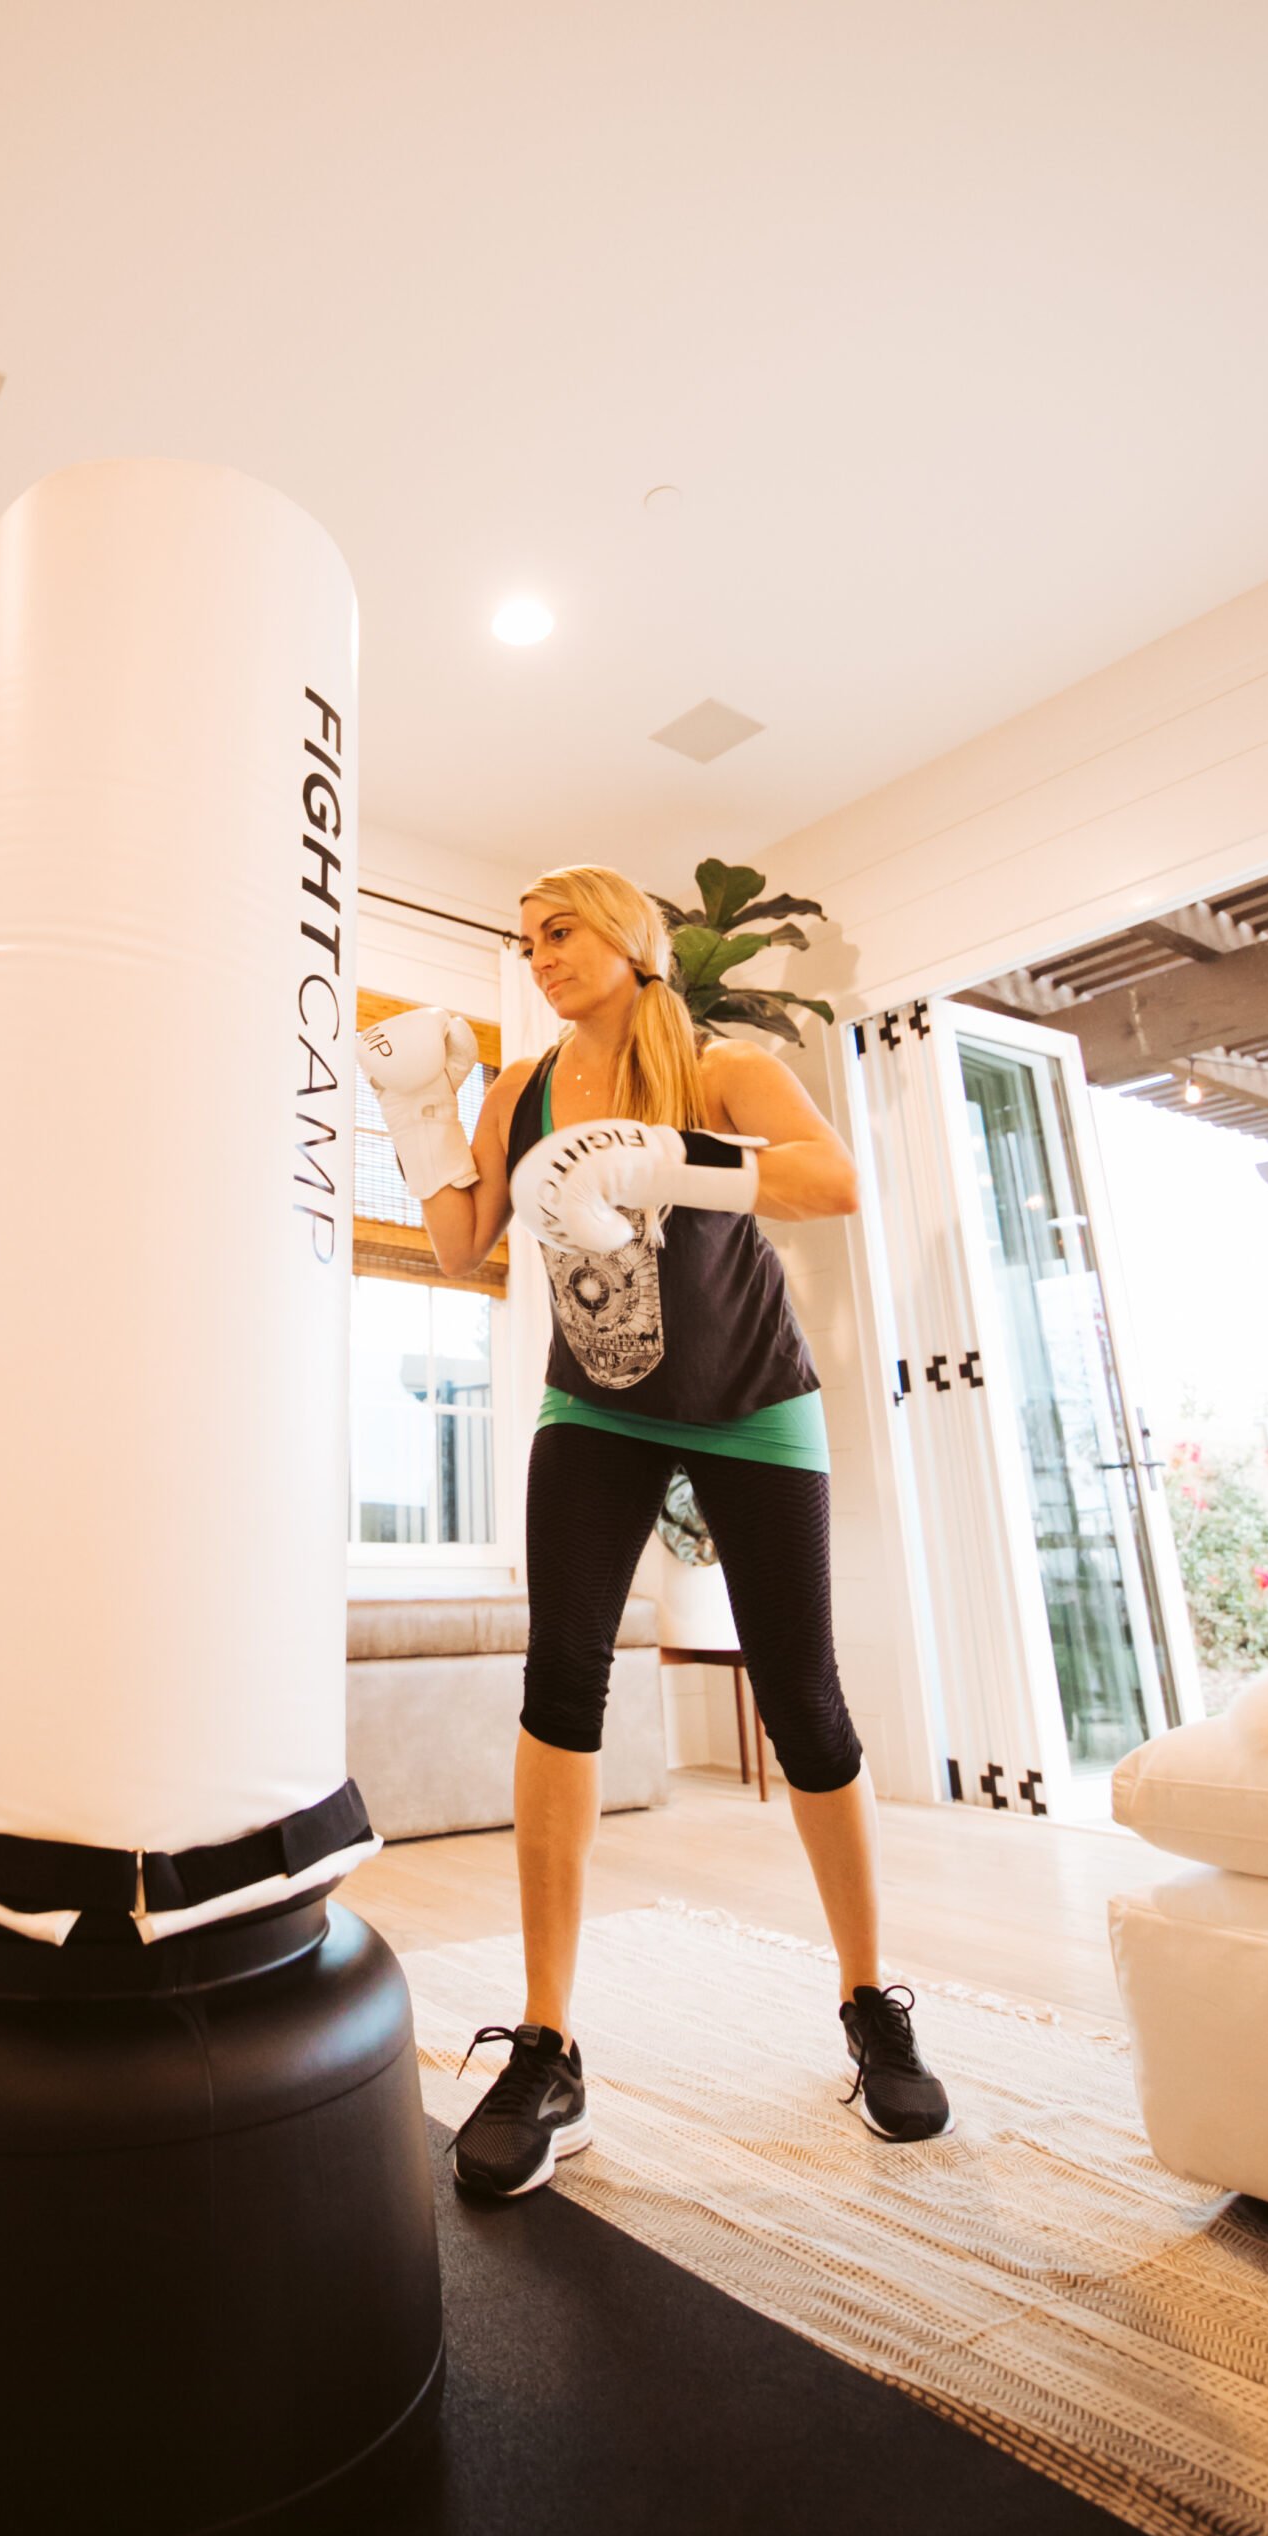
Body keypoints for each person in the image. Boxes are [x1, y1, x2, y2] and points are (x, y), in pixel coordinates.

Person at [356, 863, 951, 2199]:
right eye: (526, 941)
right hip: (599, 1408)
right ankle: (551, 2042)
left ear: (631, 942)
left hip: (751, 1401)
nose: (540, 956)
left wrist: (661, 1159)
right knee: (561, 1682)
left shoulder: (719, 1066)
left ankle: (869, 2001)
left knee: (805, 1702)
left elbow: (835, 1181)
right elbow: (460, 1246)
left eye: (561, 932)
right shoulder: (525, 1091)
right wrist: (419, 1116)